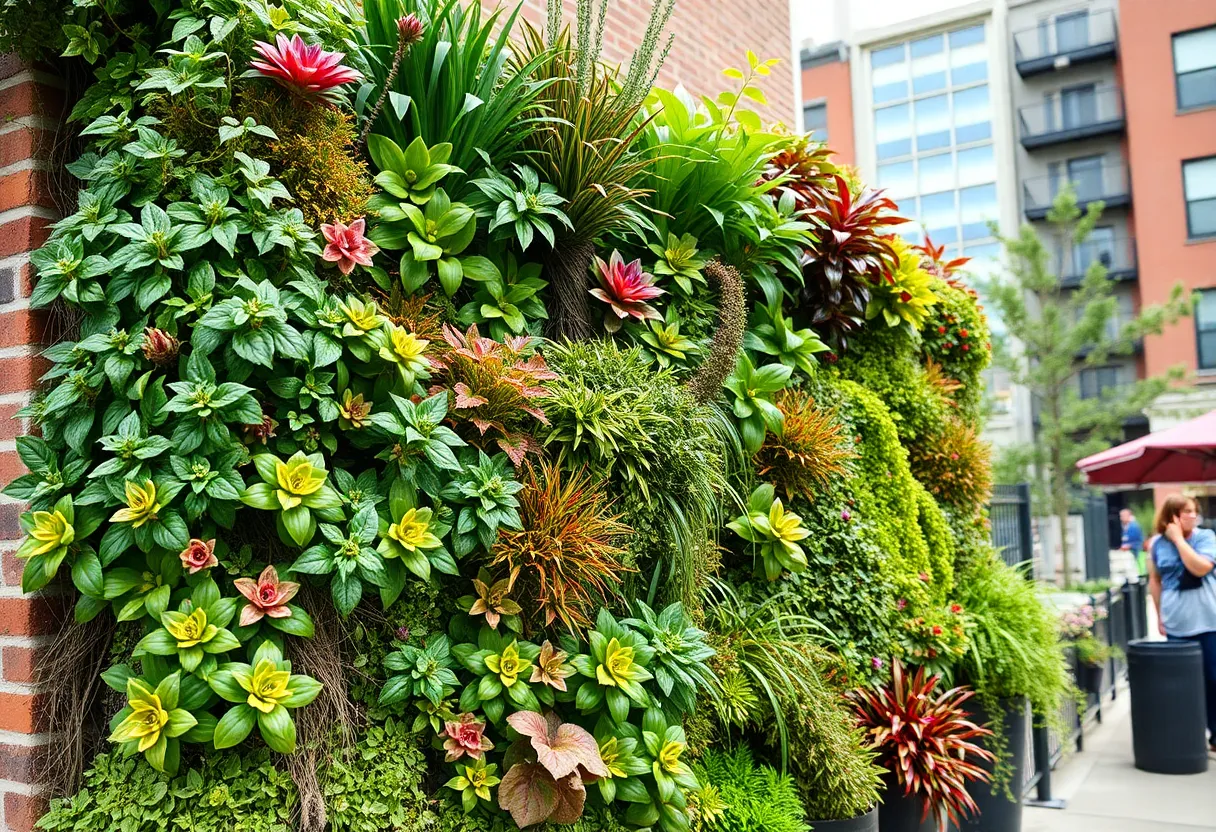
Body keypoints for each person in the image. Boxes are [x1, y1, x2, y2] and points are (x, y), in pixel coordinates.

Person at [1147, 495, 1216, 752]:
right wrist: (1159, 615)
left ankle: (1215, 735)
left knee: (1213, 679)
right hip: (1177, 622)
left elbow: (1200, 568)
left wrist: (1178, 539)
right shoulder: (1156, 544)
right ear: (1172, 515)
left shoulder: (1205, 538)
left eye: (1193, 511)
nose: (1191, 516)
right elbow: (1155, 580)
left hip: (1209, 621)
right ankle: (1189, 735)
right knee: (1183, 684)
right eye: (1185, 511)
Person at [1120, 508, 1146, 576]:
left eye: (1122, 516)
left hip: (1136, 552)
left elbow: (1139, 541)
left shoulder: (1134, 526)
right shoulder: (1126, 526)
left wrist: (1129, 545)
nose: (1121, 518)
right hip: (1131, 553)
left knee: (1139, 571)